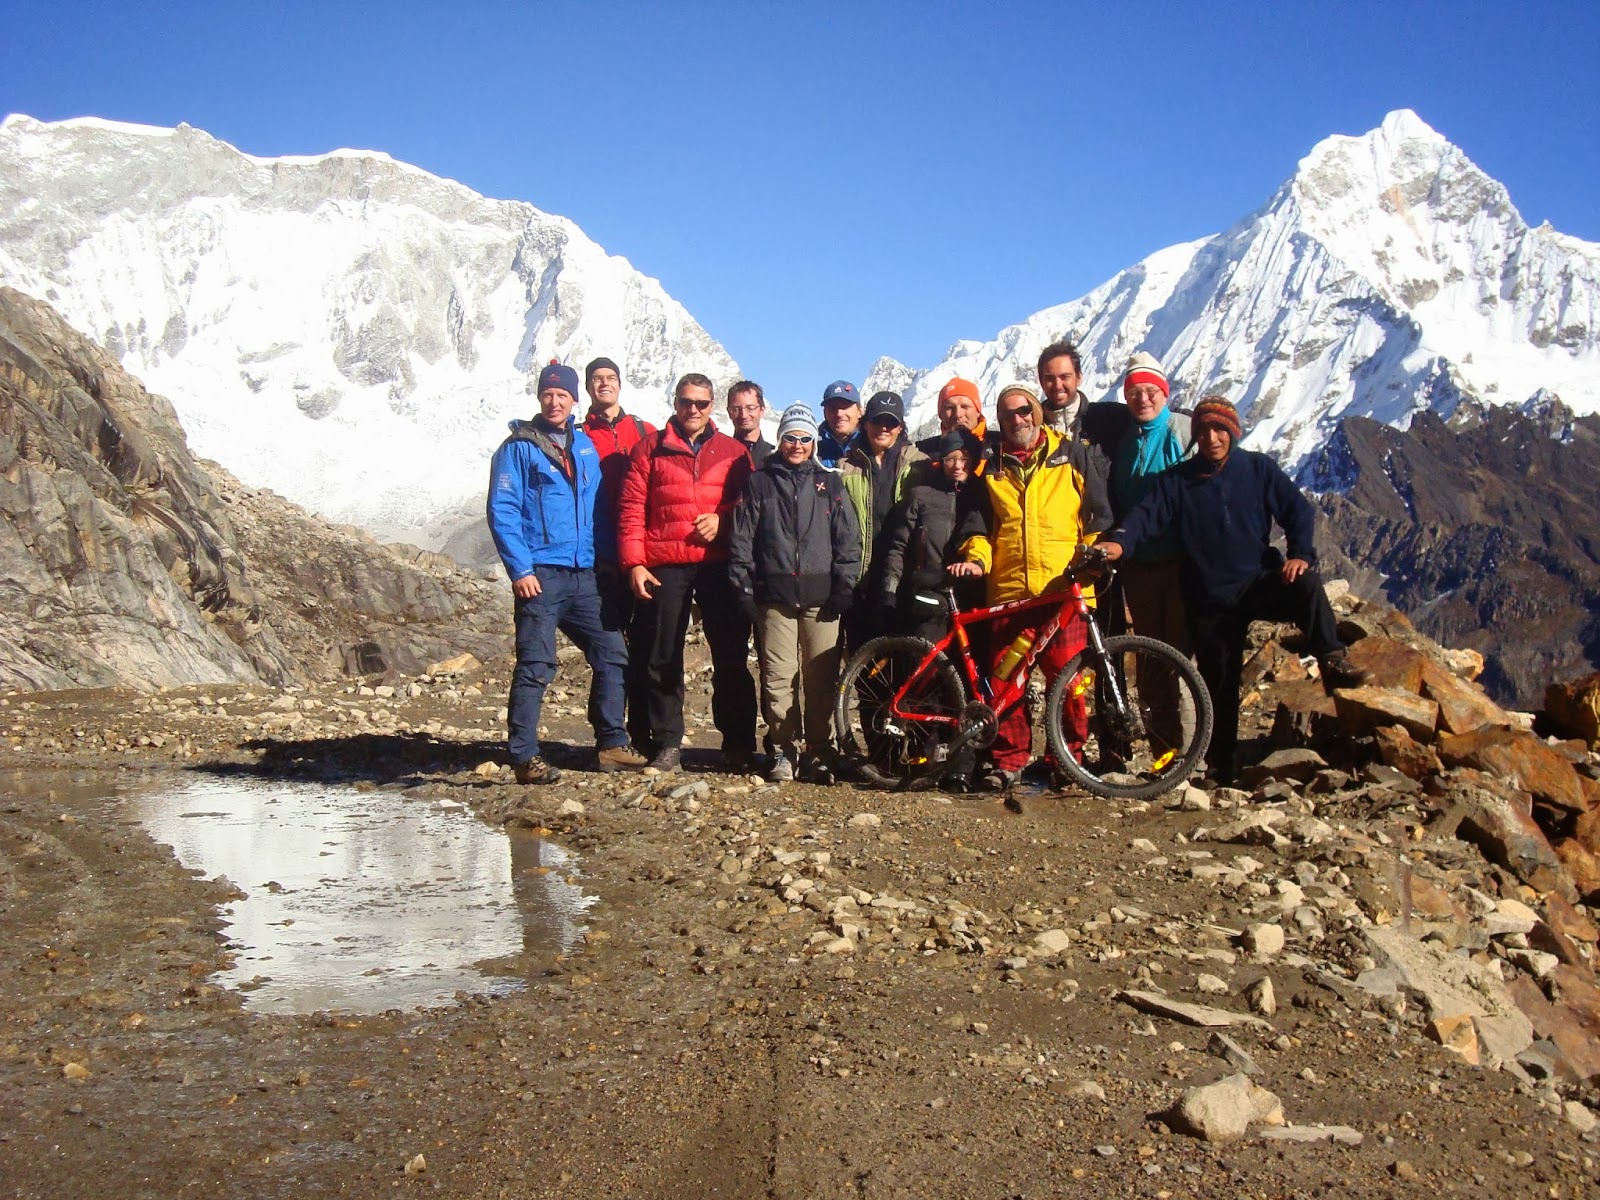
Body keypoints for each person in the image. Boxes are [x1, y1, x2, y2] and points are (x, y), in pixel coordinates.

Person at [1098, 397, 1368, 784]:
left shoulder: (1258, 468)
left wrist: (1300, 554)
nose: (1212, 438)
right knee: (1220, 685)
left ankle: (1332, 658)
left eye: (1220, 429)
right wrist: (1120, 542)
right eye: (1204, 430)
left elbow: (1298, 510)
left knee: (1306, 584)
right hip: (1209, 599)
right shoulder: (1178, 480)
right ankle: (1220, 766)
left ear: (1233, 432)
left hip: (1256, 582)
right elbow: (1146, 516)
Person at [486, 362, 648, 783]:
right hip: (540, 573)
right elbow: (503, 510)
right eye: (548, 394)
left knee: (612, 653)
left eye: (562, 395)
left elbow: (598, 510)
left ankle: (612, 744)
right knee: (537, 664)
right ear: (540, 397)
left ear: (575, 400)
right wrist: (520, 568)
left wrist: (608, 560)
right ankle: (524, 756)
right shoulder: (518, 447)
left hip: (585, 574)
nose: (554, 402)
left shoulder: (584, 447)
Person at [953, 384, 1096, 792]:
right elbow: (978, 527)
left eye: (1023, 410)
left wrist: (1095, 555)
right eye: (1007, 414)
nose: (1017, 419)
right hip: (1011, 593)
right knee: (1006, 681)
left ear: (1036, 411)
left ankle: (1067, 759)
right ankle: (1009, 760)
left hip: (1062, 591)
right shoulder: (990, 468)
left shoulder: (1070, 455)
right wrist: (978, 559)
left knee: (1069, 683)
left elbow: (1096, 514)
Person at [618, 372, 758, 774]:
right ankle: (666, 744)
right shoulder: (649, 449)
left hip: (719, 562)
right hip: (665, 562)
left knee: (731, 654)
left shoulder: (733, 451)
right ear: (675, 403)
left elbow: (749, 505)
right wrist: (634, 562)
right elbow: (631, 508)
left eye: (701, 403)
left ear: (712, 406)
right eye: (685, 402)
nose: (692, 409)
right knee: (662, 655)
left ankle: (739, 744)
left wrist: (722, 520)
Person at [729, 404, 861, 784]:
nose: (798, 445)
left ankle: (820, 751)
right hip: (774, 598)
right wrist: (743, 589)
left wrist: (844, 586)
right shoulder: (759, 482)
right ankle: (784, 749)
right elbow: (741, 540)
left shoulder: (830, 483)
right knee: (778, 677)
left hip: (822, 599)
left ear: (814, 442)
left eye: (805, 438)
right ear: (780, 439)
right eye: (791, 438)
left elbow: (848, 540)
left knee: (821, 679)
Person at [1106, 351, 1194, 749]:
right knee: (1149, 655)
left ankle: (1191, 751)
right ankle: (1164, 751)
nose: (1142, 398)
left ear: (1164, 392)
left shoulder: (1183, 431)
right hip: (1139, 566)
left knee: (1182, 656)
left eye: (1150, 390)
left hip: (1179, 563)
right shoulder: (1127, 441)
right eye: (1134, 392)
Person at [579, 356, 656, 738]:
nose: (604, 384)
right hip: (600, 556)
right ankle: (608, 733)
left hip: (642, 555)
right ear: (588, 387)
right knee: (608, 648)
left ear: (620, 384)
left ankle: (642, 731)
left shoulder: (644, 431)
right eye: (597, 378)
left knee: (645, 646)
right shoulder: (577, 436)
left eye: (610, 377)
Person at [837, 390, 926, 651]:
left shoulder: (920, 464)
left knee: (905, 658)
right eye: (877, 421)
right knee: (862, 656)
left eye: (891, 422)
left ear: (900, 427)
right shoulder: (845, 467)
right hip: (861, 579)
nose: (883, 428)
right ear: (865, 423)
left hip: (904, 577)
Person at [1036, 340, 1113, 532]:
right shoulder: (1033, 430)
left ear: (1079, 377)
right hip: (1055, 538)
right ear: (1041, 381)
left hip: (1101, 535)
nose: (1057, 385)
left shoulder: (1106, 420)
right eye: (1049, 378)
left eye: (1065, 377)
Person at [915, 377, 1000, 476]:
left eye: (965, 406)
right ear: (940, 414)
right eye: (950, 408)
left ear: (978, 411)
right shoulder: (923, 453)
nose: (958, 414)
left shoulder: (1000, 445)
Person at [816, 379, 862, 467]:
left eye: (845, 406)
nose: (839, 414)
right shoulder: (812, 447)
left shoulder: (871, 444)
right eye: (833, 408)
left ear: (859, 411)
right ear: (824, 413)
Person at [726, 379, 773, 465]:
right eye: (736, 409)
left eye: (750, 408)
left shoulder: (775, 458)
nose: (743, 415)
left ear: (762, 410)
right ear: (729, 412)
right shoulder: (720, 454)